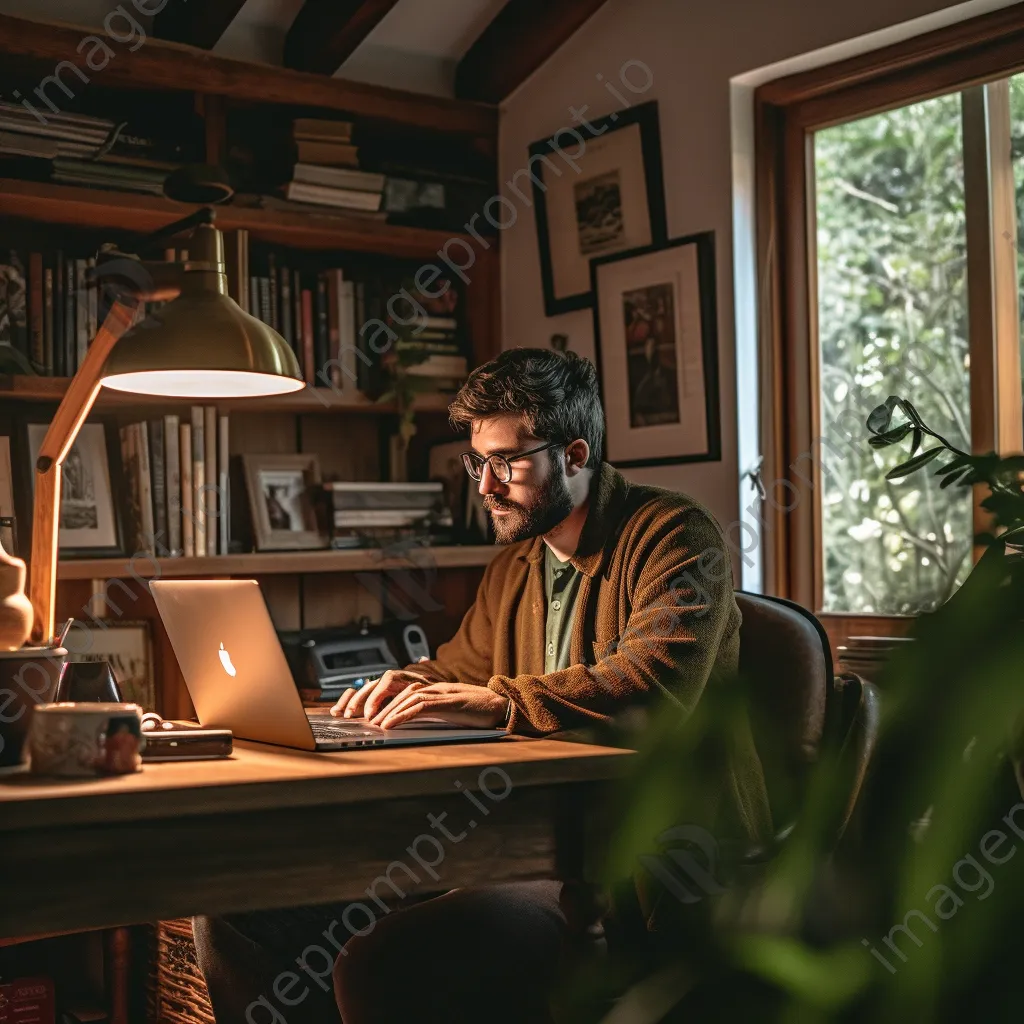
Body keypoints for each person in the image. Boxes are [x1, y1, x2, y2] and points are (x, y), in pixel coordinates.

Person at [192, 348, 771, 1023]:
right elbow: (458, 669)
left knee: (388, 959)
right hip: (508, 840)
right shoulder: (519, 562)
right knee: (243, 914)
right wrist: (394, 686)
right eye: (478, 462)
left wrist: (501, 701)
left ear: (576, 455)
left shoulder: (675, 535)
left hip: (631, 861)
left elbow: (651, 682)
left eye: (508, 462)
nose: (487, 486)